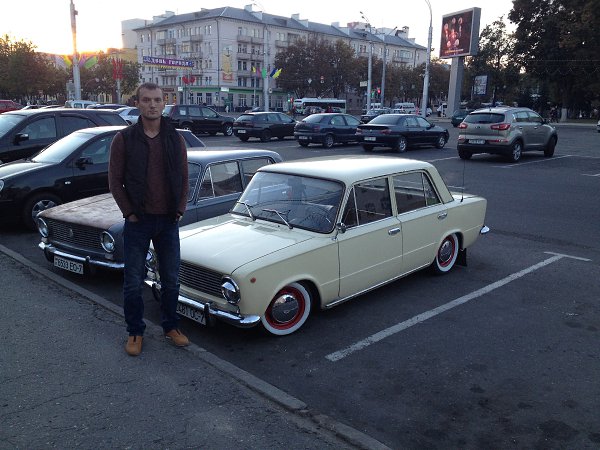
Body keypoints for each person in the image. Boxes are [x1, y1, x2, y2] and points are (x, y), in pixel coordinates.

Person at [109, 82, 190, 357]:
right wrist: (129, 212)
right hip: (138, 222)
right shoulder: (124, 139)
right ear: (137, 103)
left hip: (168, 220)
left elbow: (184, 177)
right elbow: (115, 181)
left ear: (164, 103)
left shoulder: (175, 138)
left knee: (171, 279)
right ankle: (135, 331)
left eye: (157, 100)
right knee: (133, 281)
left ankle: (171, 326)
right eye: (146, 100)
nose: (152, 105)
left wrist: (180, 208)